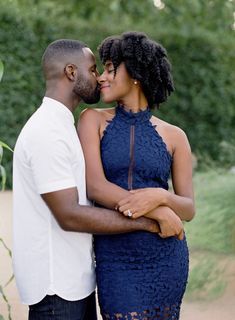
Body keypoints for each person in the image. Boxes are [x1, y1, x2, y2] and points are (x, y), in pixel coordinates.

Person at [12, 39, 166, 320]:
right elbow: (69, 215)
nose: (98, 78)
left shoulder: (63, 125)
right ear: (71, 72)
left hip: (73, 283)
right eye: (93, 69)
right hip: (56, 290)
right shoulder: (47, 131)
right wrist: (149, 222)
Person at [78, 31, 195, 320]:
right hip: (116, 258)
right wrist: (159, 213)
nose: (101, 77)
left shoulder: (175, 136)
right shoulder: (91, 120)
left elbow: (188, 208)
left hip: (166, 256)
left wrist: (161, 196)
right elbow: (95, 187)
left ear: (135, 75)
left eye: (109, 68)